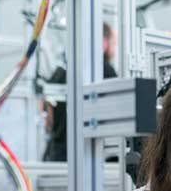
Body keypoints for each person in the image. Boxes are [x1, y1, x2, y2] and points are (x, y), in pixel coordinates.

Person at [42, 22, 118, 162]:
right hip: (89, 155)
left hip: (57, 155)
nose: (114, 47)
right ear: (102, 41)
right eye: (113, 42)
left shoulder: (61, 71)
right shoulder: (105, 70)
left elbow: (46, 114)